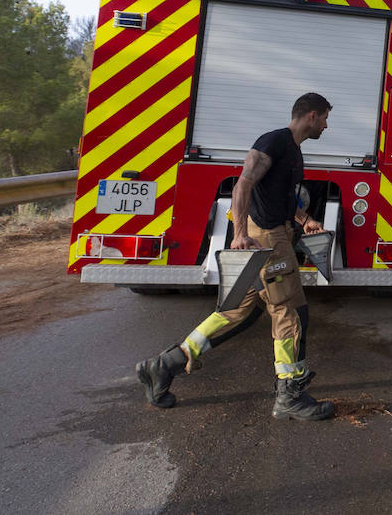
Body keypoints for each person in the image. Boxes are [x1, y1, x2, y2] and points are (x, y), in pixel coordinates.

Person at [135, 92, 336, 420]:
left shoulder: (294, 151)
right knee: (290, 309)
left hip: (279, 232)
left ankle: (163, 366)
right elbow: (243, 185)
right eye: (325, 118)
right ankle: (290, 394)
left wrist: (305, 220)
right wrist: (240, 234)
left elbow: (283, 197)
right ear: (312, 115)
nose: (327, 125)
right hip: (266, 239)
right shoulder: (273, 143)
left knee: (238, 311)